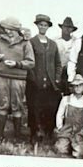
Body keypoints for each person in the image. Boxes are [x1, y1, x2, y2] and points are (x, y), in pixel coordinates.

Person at [0, 17, 35, 142]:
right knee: (2, 105)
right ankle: (0, 136)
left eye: (11, 29)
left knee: (17, 106)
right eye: (6, 28)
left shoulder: (25, 43)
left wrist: (17, 64)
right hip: (1, 76)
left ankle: (17, 137)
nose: (8, 31)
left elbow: (31, 62)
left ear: (17, 30)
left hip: (18, 78)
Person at [27, 14, 62, 144]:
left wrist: (57, 78)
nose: (43, 27)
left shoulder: (53, 44)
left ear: (48, 27)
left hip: (50, 85)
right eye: (41, 24)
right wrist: (33, 79)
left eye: (45, 25)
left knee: (50, 108)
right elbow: (29, 62)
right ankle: (34, 133)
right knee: (34, 108)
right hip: (35, 84)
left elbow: (58, 64)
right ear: (37, 26)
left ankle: (47, 132)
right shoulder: (31, 42)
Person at [54, 74, 83, 157]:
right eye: (75, 86)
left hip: (80, 131)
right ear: (72, 88)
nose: (77, 88)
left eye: (80, 86)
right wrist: (60, 127)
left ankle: (76, 149)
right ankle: (66, 146)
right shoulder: (66, 99)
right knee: (60, 149)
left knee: (81, 154)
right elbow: (59, 114)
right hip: (67, 129)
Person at [54, 16, 78, 95]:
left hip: (71, 73)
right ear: (62, 28)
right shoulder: (55, 41)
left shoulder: (76, 41)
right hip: (57, 72)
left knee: (70, 93)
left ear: (72, 29)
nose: (67, 29)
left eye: (70, 27)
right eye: (65, 27)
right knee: (56, 93)